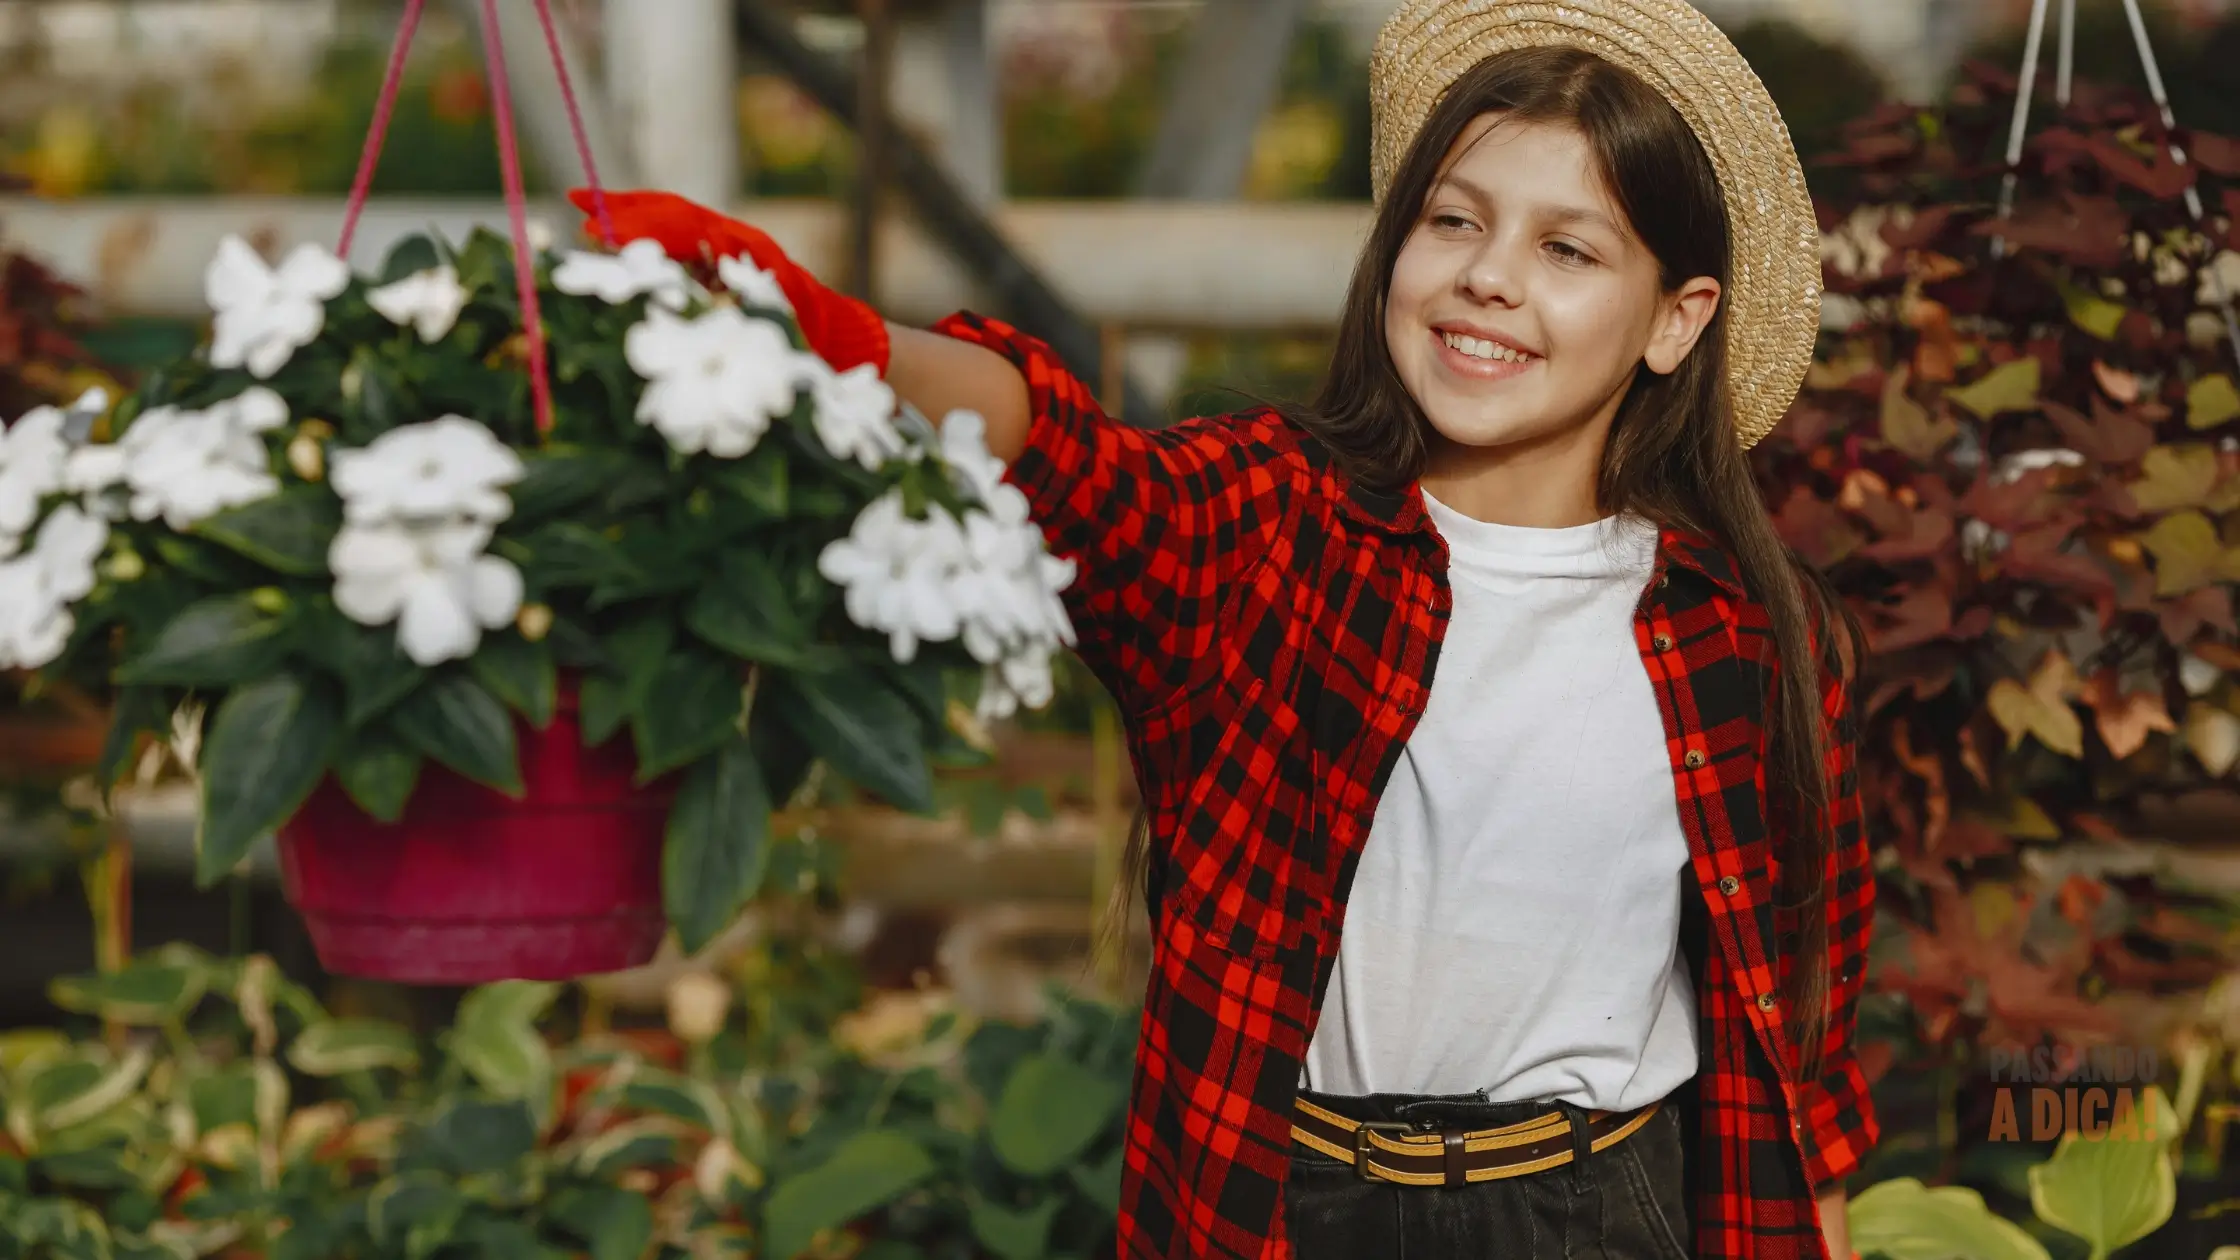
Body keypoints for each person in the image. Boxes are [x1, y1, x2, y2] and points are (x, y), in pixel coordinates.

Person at [574, 0, 1877, 1254]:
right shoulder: (1272, 527)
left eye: (1568, 251)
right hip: (1285, 1207)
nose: (1488, 276)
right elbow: (1079, 469)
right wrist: (845, 340)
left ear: (1675, 321)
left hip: (1599, 1211)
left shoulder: (1745, 636)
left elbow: (1798, 1050)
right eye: (1454, 221)